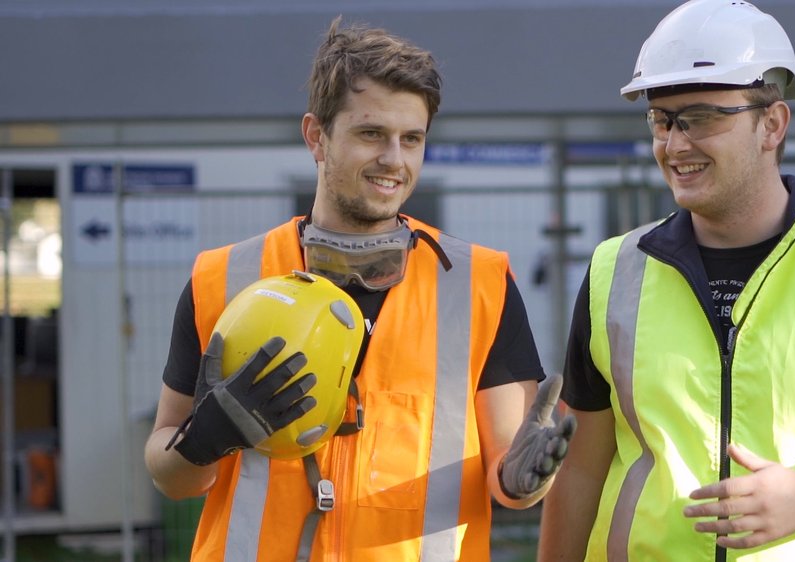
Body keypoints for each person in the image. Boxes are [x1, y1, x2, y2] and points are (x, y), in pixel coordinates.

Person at [537, 1, 795, 560]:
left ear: (772, 124)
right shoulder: (616, 269)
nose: (675, 143)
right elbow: (581, 474)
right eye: (662, 120)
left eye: (702, 117)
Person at [144, 17, 575, 562]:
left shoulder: (478, 283)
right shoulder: (224, 278)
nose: (394, 159)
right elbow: (170, 475)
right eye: (372, 134)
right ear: (316, 137)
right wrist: (203, 440)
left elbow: (507, 476)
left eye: (411, 139)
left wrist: (524, 478)